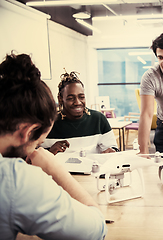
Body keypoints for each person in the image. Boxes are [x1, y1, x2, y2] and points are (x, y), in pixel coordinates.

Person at [0, 53, 107, 239]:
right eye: (38, 143)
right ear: (27, 132)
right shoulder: (12, 180)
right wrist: (56, 169)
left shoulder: (97, 119)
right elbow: (96, 229)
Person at [42, 71, 118, 155]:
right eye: (71, 98)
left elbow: (113, 148)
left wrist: (112, 151)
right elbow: (33, 158)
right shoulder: (48, 123)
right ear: (60, 99)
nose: (77, 102)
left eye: (81, 97)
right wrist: (50, 152)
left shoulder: (98, 119)